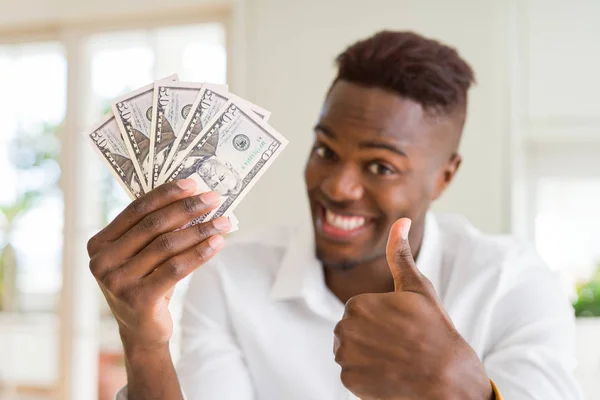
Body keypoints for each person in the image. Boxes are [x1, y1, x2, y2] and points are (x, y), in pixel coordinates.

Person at [88, 31, 582, 400]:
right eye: (325, 150)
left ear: (444, 178)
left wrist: (460, 389)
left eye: (380, 166)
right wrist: (143, 341)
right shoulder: (232, 278)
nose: (337, 187)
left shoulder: (512, 283)